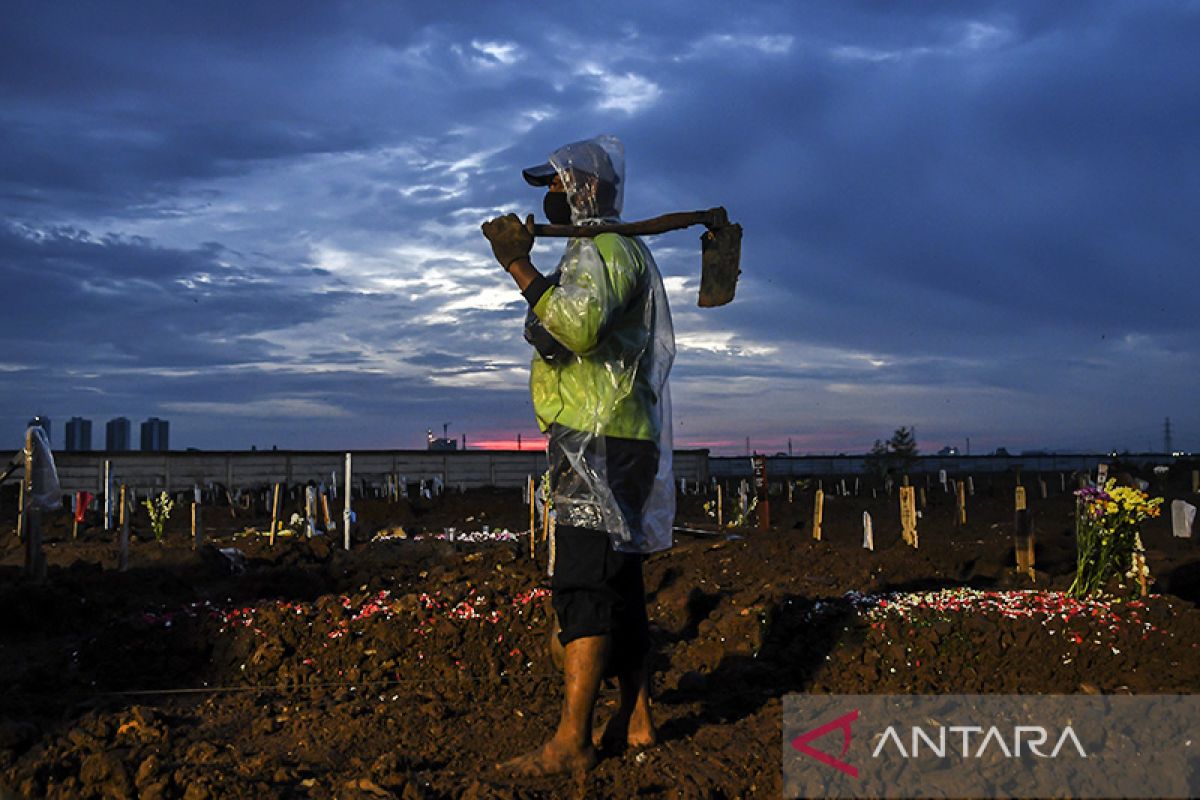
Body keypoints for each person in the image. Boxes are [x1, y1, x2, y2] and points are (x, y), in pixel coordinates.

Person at [481, 135, 676, 776]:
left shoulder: (604, 250)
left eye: (555, 186)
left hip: (599, 441)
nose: (545, 199)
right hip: (615, 438)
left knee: (583, 583)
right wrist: (539, 286)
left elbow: (578, 327)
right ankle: (638, 719)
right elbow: (556, 332)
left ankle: (572, 742)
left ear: (584, 192)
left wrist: (517, 266)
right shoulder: (601, 253)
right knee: (620, 582)